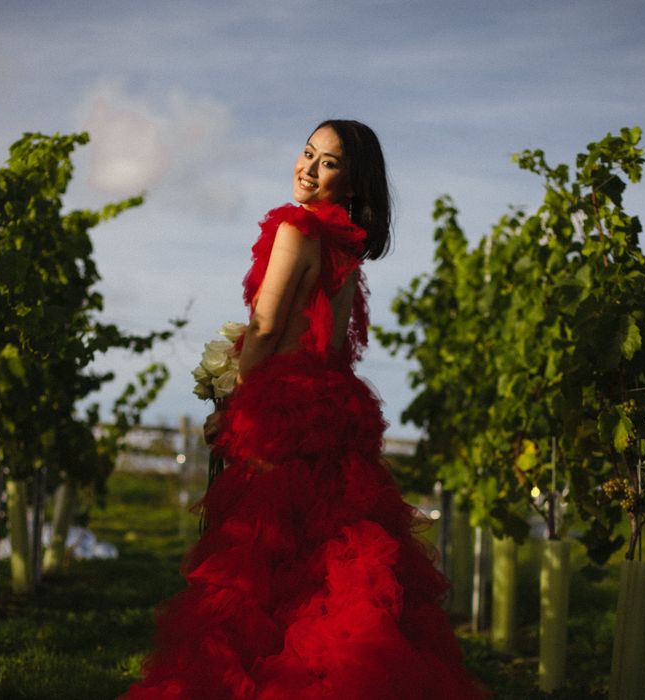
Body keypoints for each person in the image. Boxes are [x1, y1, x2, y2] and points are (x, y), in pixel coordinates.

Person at [121, 120, 487, 699]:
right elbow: (332, 348)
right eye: (308, 153)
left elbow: (265, 328)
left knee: (257, 568)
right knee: (319, 560)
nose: (309, 169)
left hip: (279, 412)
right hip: (326, 409)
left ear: (353, 181)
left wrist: (236, 403)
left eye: (329, 163)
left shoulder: (295, 231)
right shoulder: (346, 249)